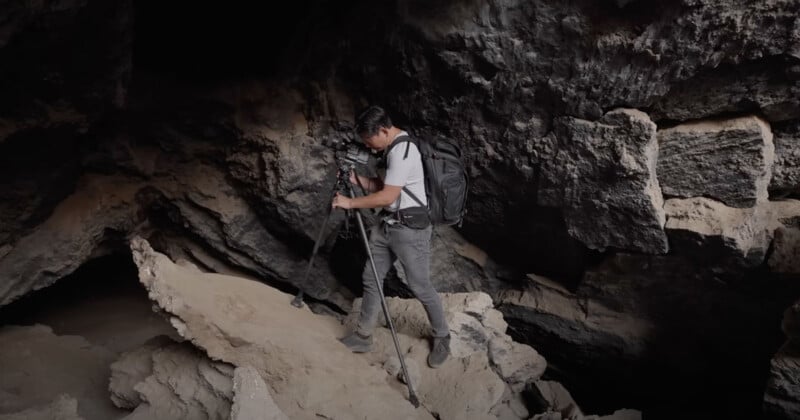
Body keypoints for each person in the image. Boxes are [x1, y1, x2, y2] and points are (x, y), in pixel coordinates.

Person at [332, 105, 451, 368]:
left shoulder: (404, 152)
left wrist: (349, 204)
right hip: (386, 225)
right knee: (371, 277)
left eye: (369, 140)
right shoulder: (389, 149)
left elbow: (388, 196)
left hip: (410, 230)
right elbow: (383, 187)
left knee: (420, 285)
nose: (368, 146)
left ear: (384, 130)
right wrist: (356, 179)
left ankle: (443, 336)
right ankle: (363, 336)